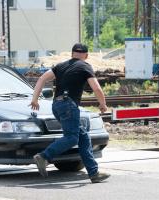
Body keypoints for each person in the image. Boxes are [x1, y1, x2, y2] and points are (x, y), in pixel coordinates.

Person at [29, 43, 110, 183]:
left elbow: (42, 78)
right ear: (86, 55)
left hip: (57, 105)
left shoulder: (60, 66)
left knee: (83, 137)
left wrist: (35, 99)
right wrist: (102, 104)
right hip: (69, 106)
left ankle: (93, 173)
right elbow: (96, 88)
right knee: (72, 138)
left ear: (72, 54)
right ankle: (43, 156)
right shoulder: (85, 66)